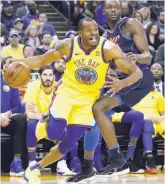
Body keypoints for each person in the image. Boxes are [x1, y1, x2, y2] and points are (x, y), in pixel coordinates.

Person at [6, 17, 143, 183]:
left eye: (95, 29)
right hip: (67, 94)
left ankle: (36, 167)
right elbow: (42, 60)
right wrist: (20, 61)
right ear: (80, 33)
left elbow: (137, 73)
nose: (93, 32)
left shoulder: (108, 48)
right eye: (88, 30)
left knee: (68, 144)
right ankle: (47, 122)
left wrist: (122, 83)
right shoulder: (68, 45)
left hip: (88, 101)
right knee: (54, 133)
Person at [67, 0, 153, 182]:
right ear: (102, 11)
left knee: (98, 108)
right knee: (93, 119)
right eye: (109, 7)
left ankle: (118, 160)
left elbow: (148, 56)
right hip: (119, 80)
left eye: (116, 6)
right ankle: (88, 167)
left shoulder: (130, 24)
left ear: (121, 9)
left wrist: (136, 56)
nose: (113, 10)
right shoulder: (106, 36)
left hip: (139, 78)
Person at [1, 58, 27, 176]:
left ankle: (16, 162)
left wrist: (7, 114)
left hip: (7, 120)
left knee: (20, 119)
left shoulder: (11, 83)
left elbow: (17, 105)